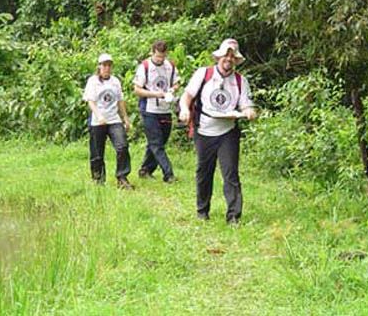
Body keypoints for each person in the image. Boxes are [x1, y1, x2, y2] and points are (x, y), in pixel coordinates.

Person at [179, 38, 257, 224]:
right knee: (204, 172)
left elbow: (246, 105)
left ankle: (233, 217)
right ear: (219, 57)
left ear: (236, 60)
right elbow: (187, 96)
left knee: (230, 173)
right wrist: (183, 109)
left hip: (228, 132)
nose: (228, 59)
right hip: (204, 130)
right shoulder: (204, 74)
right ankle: (202, 211)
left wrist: (249, 111)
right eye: (226, 55)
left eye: (232, 56)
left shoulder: (240, 81)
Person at [83, 53, 133, 189]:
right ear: (99, 66)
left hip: (114, 119)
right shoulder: (93, 81)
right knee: (97, 153)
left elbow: (120, 101)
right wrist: (99, 115)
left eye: (109, 65)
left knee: (122, 146)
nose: (107, 68)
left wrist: (126, 119)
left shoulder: (115, 81)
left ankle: (122, 177)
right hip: (98, 121)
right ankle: (98, 179)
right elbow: (90, 101)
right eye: (104, 65)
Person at [133, 40, 180, 183]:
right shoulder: (144, 67)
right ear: (152, 52)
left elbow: (177, 82)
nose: (160, 59)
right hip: (149, 109)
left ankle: (145, 170)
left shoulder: (170, 66)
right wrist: (155, 94)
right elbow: (137, 89)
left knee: (158, 142)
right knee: (156, 143)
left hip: (165, 109)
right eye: (158, 56)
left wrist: (172, 90)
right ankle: (169, 174)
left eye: (163, 56)